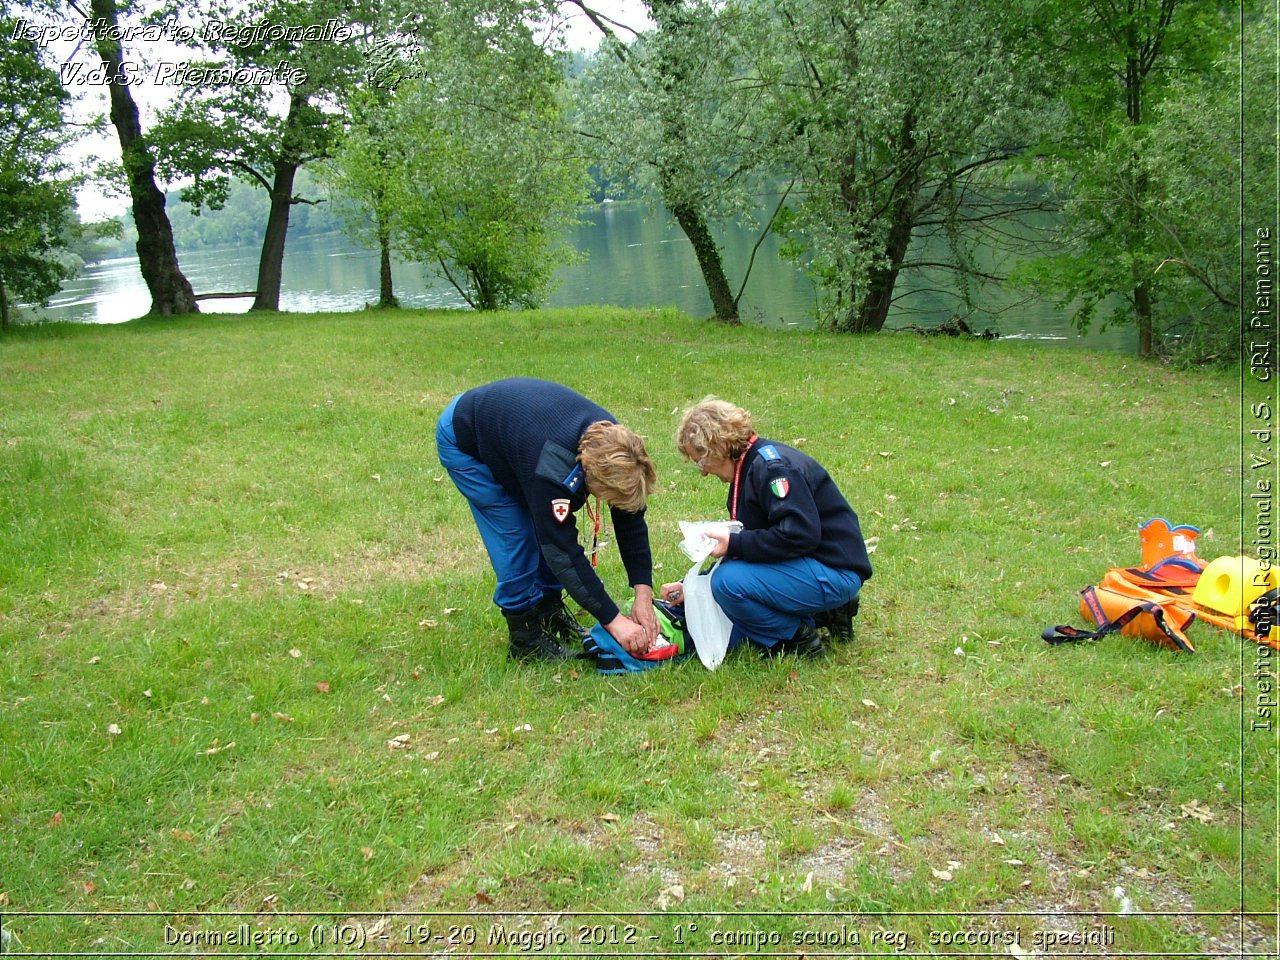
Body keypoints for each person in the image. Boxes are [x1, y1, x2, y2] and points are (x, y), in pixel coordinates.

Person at [436, 378, 661, 662]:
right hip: (465, 437)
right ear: (592, 479)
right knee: (517, 535)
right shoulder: (554, 472)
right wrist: (615, 621)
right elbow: (562, 552)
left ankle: (549, 611)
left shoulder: (619, 447)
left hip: (518, 435)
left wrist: (643, 591)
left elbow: (630, 519)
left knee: (544, 526)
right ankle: (525, 639)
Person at [660, 397, 871, 657]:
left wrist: (733, 543)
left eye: (701, 462)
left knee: (728, 585)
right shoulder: (750, 467)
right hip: (815, 564)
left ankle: (797, 638)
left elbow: (799, 535)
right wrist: (692, 586)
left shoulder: (773, 470)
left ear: (718, 446)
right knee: (729, 582)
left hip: (836, 570)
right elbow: (755, 546)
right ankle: (826, 612)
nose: (703, 472)